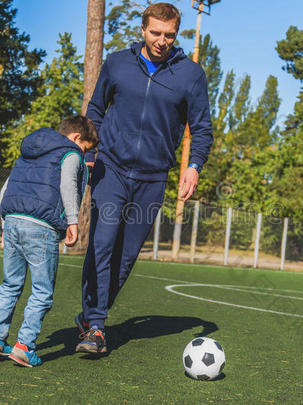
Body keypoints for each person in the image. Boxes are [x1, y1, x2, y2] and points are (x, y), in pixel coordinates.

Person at [75, 2, 213, 354]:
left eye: (169, 35)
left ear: (176, 34)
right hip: (111, 169)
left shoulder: (191, 75)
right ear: (142, 30)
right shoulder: (118, 63)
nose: (162, 41)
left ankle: (91, 316)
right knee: (103, 242)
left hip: (153, 179)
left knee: (125, 257)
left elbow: (201, 130)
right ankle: (96, 326)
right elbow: (95, 111)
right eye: (155, 33)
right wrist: (90, 155)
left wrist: (193, 166)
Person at [0, 116, 99, 367]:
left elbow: (6, 187)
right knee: (42, 291)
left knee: (10, 284)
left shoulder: (29, 150)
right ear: (77, 138)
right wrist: (72, 222)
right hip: (42, 226)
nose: (85, 156)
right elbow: (68, 185)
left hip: (13, 219)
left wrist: (5, 224)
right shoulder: (70, 153)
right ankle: (24, 346)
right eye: (86, 149)